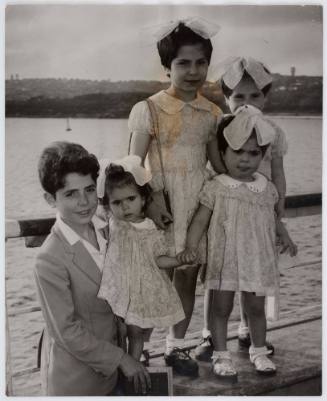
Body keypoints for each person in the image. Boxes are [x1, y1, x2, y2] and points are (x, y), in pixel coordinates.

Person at [128, 18, 224, 377]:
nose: (193, 71)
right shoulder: (149, 109)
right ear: (166, 66)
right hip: (161, 206)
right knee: (153, 283)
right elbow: (133, 166)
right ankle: (139, 351)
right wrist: (149, 202)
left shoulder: (212, 113)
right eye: (183, 63)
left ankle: (175, 346)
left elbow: (217, 165)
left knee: (185, 279)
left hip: (196, 210)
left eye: (201, 63)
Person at [178, 105, 297, 380]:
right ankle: (221, 355)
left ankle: (258, 351)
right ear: (222, 153)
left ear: (263, 155)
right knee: (220, 309)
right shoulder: (217, 186)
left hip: (256, 259)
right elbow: (199, 220)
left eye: (254, 153)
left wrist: (285, 236)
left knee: (256, 308)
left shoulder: (266, 187)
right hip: (225, 259)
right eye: (238, 151)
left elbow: (271, 218)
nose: (245, 159)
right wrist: (191, 246)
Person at [34, 141, 150, 396]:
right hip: (79, 382)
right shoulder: (49, 259)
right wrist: (121, 359)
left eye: (88, 190)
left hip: (117, 374)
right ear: (50, 199)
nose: (84, 202)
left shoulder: (108, 230)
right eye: (70, 194)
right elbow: (66, 331)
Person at [195, 57, 289, 360]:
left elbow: (277, 172)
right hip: (229, 210)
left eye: (255, 95)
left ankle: (249, 331)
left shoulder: (272, 131)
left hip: (259, 212)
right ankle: (209, 335)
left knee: (254, 275)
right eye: (238, 96)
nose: (247, 102)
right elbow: (218, 166)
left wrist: (279, 211)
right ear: (226, 98)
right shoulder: (223, 126)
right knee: (219, 276)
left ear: (266, 97)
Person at [97, 155, 186, 365]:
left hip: (140, 292)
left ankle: (134, 367)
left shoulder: (150, 228)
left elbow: (159, 260)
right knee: (116, 331)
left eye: (131, 199)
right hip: (118, 289)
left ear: (143, 199)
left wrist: (177, 261)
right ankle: (117, 368)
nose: (125, 207)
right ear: (109, 206)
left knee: (136, 334)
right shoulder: (112, 224)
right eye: (117, 203)